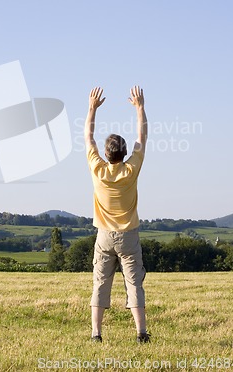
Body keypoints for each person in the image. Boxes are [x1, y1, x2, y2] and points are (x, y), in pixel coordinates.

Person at [84, 85, 149, 344]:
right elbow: (142, 138)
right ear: (124, 153)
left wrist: (92, 108)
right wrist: (139, 107)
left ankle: (96, 334)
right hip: (129, 236)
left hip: (104, 236)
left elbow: (88, 138)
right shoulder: (130, 170)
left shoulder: (97, 169)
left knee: (100, 283)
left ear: (106, 153)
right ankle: (141, 333)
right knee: (134, 284)